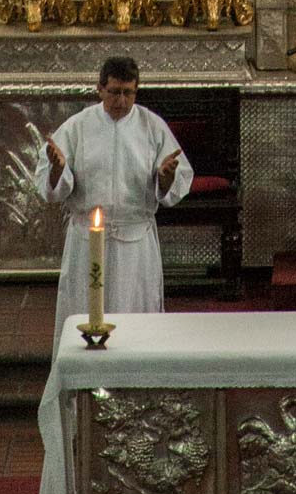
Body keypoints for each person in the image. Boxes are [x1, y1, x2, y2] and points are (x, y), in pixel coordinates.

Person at [33, 55, 192, 355]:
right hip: (88, 241)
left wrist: (165, 177)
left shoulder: (152, 126)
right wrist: (57, 169)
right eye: (114, 92)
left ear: (136, 91)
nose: (121, 100)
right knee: (84, 315)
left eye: (128, 93)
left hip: (135, 244)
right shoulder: (77, 127)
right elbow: (53, 186)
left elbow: (174, 182)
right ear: (100, 89)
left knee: (136, 320)